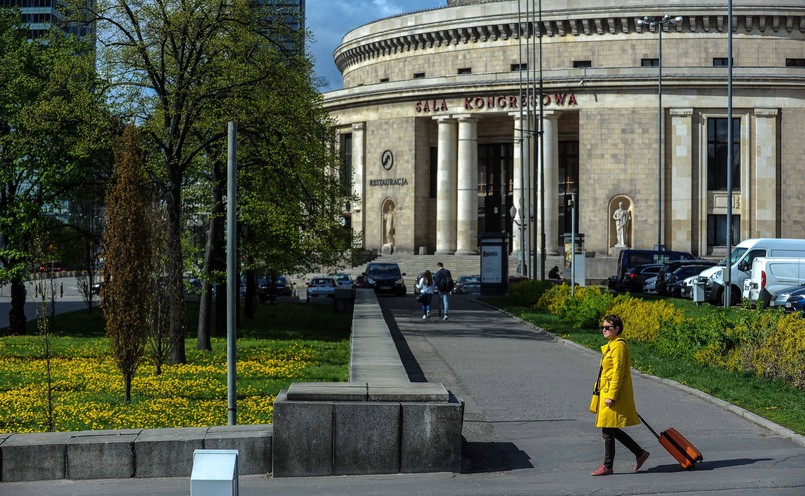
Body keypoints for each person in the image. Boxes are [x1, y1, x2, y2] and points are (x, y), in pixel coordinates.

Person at [591, 314, 650, 476]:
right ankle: (640, 453)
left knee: (608, 430)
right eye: (603, 327)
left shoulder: (619, 346)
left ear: (617, 329)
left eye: (607, 327)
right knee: (610, 429)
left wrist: (612, 395)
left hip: (612, 394)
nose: (604, 330)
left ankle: (607, 466)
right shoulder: (612, 344)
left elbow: (618, 373)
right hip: (605, 392)